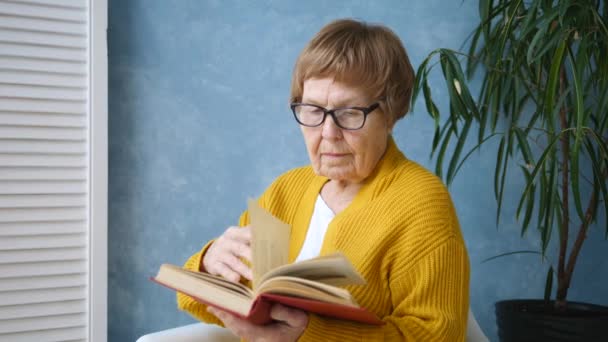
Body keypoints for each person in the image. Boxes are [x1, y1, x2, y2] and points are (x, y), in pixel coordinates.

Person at [177, 18, 470, 341]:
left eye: (348, 113)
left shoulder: (420, 202)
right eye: (313, 111)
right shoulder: (286, 190)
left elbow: (437, 335)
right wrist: (208, 264)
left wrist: (308, 335)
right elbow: (206, 302)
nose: (328, 134)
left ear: (389, 114)